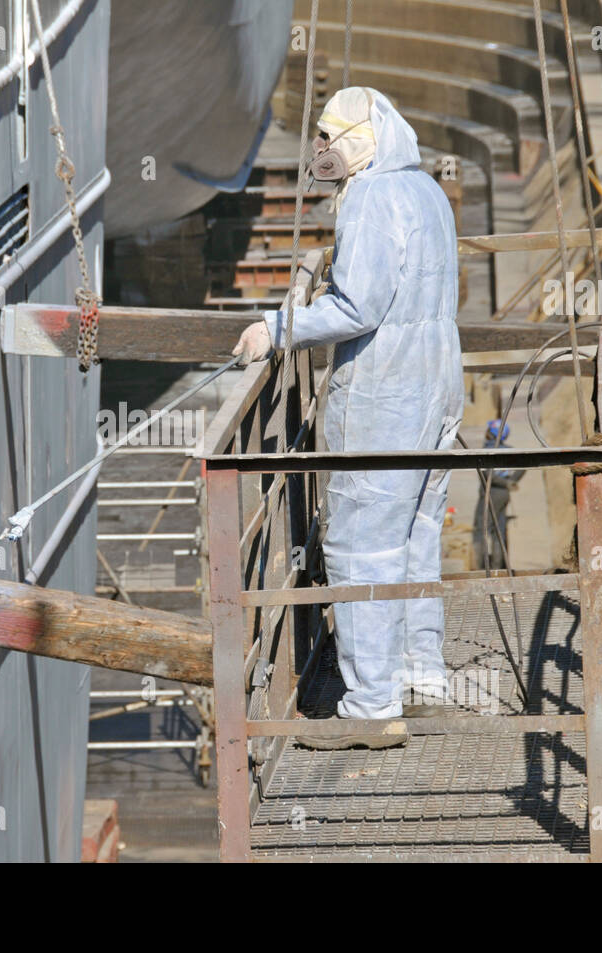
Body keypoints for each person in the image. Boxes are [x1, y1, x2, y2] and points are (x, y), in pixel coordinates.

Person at [231, 88, 464, 748]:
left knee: (363, 539)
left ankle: (369, 706)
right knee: (417, 532)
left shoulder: (369, 197)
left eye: (331, 138)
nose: (321, 150)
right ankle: (424, 679)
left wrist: (277, 327)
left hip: (388, 388)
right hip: (440, 379)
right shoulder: (426, 191)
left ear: (364, 139)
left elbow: (358, 306)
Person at [473, 419, 525, 571]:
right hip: (504, 495)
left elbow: (487, 474)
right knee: (498, 530)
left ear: (491, 434)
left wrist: (505, 483)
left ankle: (482, 569)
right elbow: (524, 465)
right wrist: (510, 481)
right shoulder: (510, 450)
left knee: (481, 530)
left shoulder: (486, 450)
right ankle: (499, 568)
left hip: (490, 493)